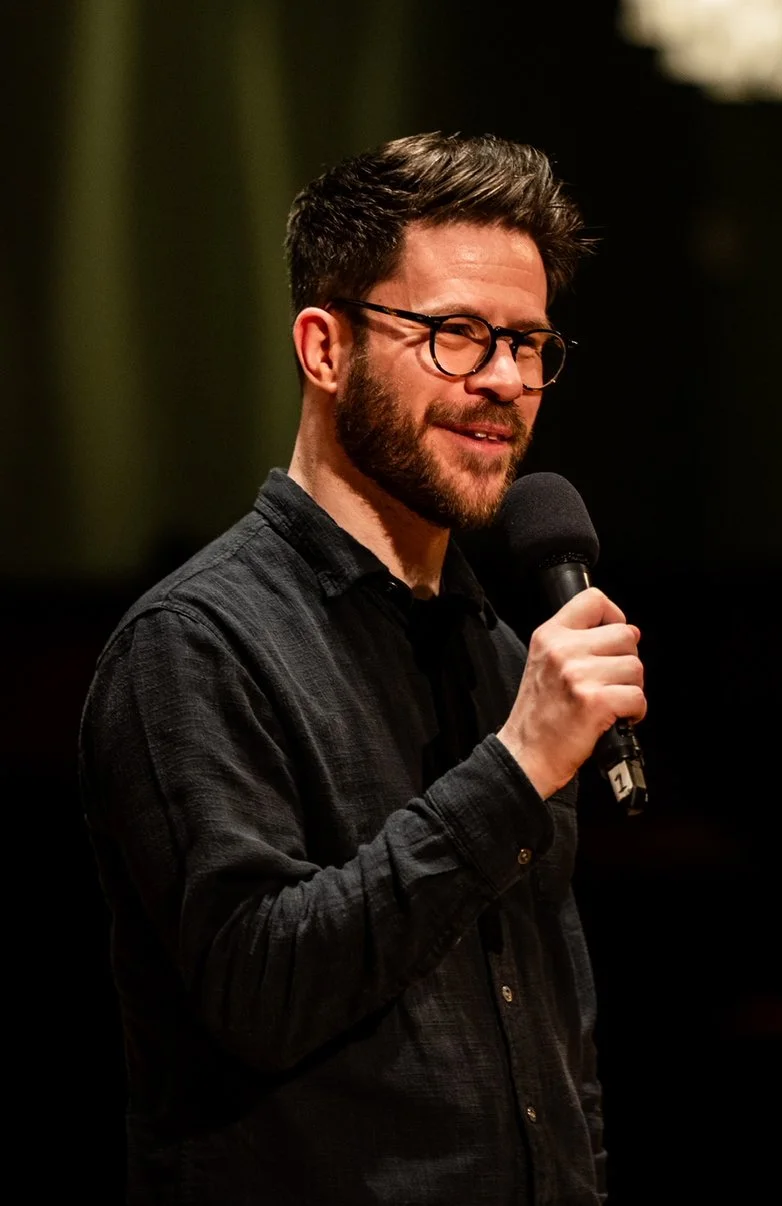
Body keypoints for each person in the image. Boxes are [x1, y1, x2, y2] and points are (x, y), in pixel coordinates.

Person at [78, 131, 645, 1206]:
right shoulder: (194, 644)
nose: (505, 380)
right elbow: (259, 991)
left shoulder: (501, 652)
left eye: (529, 344)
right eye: (455, 335)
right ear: (325, 348)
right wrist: (515, 768)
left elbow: (553, 1035)